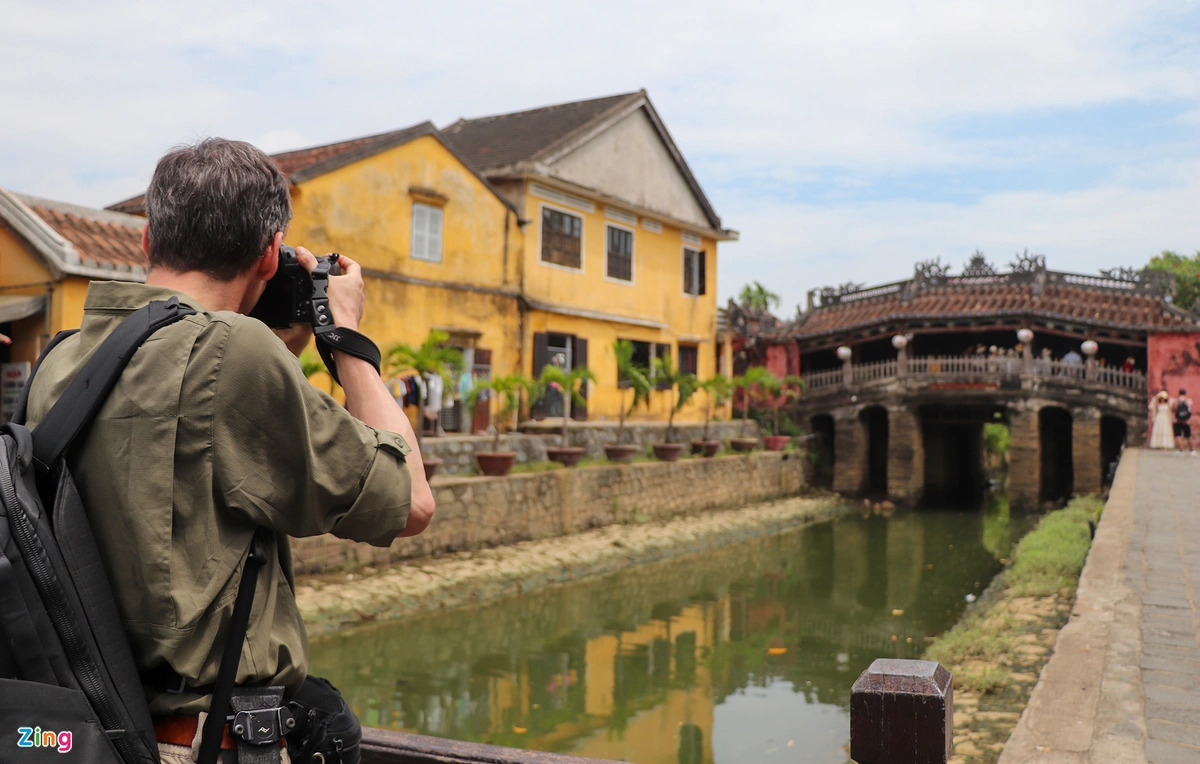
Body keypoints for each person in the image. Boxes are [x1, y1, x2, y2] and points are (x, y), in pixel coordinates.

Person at [24, 138, 435, 763]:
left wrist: (280, 352)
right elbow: (407, 502)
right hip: (202, 745)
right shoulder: (234, 352)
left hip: (85, 735)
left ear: (146, 240)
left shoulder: (59, 359)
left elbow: (203, 450)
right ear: (269, 254)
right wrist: (349, 340)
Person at [1171, 387, 1194, 453]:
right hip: (1186, 421)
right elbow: (1190, 410)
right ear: (1185, 393)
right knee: (1188, 435)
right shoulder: (1189, 401)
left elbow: (1173, 409)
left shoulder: (1176, 400)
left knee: (1178, 435)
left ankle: (1181, 450)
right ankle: (1191, 450)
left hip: (1177, 420)